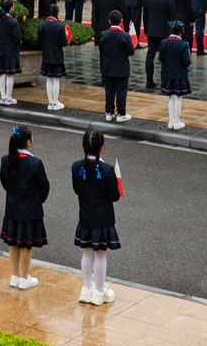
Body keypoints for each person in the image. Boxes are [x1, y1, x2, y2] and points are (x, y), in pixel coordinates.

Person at [71, 128, 121, 305]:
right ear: (102, 147)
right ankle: (99, 292)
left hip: (85, 216)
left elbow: (77, 190)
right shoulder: (107, 170)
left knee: (86, 252)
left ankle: (86, 289)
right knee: (100, 255)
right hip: (103, 218)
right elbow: (114, 196)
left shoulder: (77, 166)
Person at [0, 124, 49, 289]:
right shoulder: (35, 163)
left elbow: (4, 181)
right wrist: (37, 200)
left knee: (12, 242)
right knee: (26, 244)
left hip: (12, 207)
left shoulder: (6, 160)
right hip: (30, 209)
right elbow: (44, 187)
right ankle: (25, 277)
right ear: (28, 142)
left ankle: (15, 275)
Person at [98, 10, 135, 122]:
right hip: (121, 68)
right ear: (121, 21)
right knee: (121, 91)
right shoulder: (124, 36)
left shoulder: (104, 34)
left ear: (109, 21)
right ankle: (121, 113)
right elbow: (131, 51)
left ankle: (109, 112)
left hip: (107, 67)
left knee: (109, 91)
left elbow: (101, 50)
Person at [159, 22, 192, 129]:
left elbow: (161, 58)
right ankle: (177, 122)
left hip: (168, 73)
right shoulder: (183, 44)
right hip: (180, 74)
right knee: (178, 97)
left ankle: (171, 121)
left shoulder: (164, 42)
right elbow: (187, 61)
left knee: (171, 97)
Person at [0, 0, 24, 105]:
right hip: (11, 51)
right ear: (11, 8)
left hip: (1, 50)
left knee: (2, 74)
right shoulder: (13, 22)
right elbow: (17, 38)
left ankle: (2, 97)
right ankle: (8, 96)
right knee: (10, 74)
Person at [39, 8, 68, 110]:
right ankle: (55, 102)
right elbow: (64, 42)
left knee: (49, 79)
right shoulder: (59, 26)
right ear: (57, 13)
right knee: (56, 79)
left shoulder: (41, 25)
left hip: (46, 54)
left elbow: (39, 41)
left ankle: (50, 102)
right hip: (57, 55)